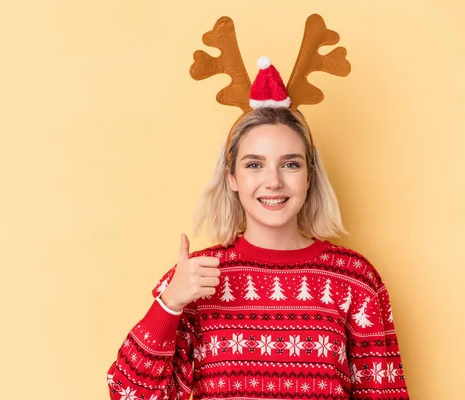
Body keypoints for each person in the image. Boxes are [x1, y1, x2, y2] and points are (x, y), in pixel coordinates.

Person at [106, 58, 409, 400]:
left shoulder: (355, 280)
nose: (274, 181)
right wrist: (169, 303)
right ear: (232, 177)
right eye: (254, 165)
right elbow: (128, 394)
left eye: (290, 164)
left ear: (309, 176)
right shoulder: (196, 279)